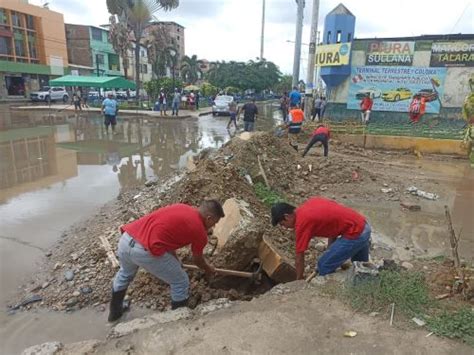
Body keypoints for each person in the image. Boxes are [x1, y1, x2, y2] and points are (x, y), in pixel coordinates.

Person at [108, 200, 225, 322]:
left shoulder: (182, 207)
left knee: (125, 274)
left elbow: (166, 238)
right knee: (181, 281)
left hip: (126, 239)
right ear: (209, 218)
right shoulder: (200, 232)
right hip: (144, 251)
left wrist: (175, 260)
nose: (214, 226)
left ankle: (114, 314)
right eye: (215, 222)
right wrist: (208, 269)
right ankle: (177, 321)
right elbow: (198, 260)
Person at [271, 197, 371, 279]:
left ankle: (329, 293)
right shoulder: (311, 203)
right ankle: (366, 286)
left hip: (356, 233)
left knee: (323, 265)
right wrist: (330, 251)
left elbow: (299, 257)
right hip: (362, 224)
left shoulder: (301, 224)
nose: (285, 227)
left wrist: (299, 279)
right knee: (361, 267)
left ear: (287, 216)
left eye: (282, 224)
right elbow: (332, 221)